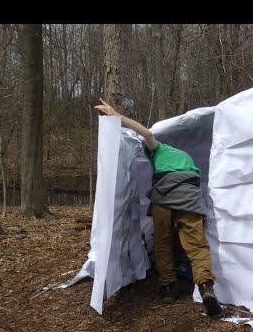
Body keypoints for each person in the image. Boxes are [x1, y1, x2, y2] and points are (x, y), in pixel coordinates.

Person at [94, 98, 222, 317]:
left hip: (164, 193)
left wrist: (117, 116)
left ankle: (168, 287)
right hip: (190, 193)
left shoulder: (158, 149)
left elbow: (147, 134)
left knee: (162, 242)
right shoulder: (187, 157)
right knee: (197, 245)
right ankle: (205, 286)